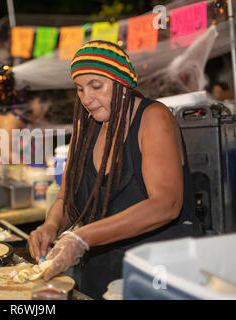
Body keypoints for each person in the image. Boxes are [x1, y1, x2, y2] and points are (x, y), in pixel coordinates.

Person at [28, 40, 203, 299]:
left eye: (96, 86)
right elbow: (67, 199)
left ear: (122, 84)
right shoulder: (84, 130)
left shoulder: (153, 117)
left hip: (157, 272)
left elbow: (166, 204)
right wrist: (50, 227)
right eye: (79, 89)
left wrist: (82, 237)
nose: (87, 98)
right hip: (100, 273)